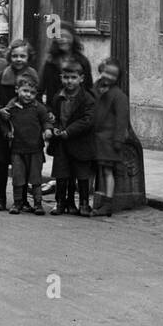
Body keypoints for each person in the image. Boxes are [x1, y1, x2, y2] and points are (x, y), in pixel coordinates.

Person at [39, 19, 94, 195]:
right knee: (61, 156)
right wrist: (46, 113)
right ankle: (63, 199)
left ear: (73, 39)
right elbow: (40, 89)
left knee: (77, 152)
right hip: (57, 111)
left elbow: (89, 88)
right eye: (59, 36)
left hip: (77, 112)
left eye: (66, 36)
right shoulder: (51, 62)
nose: (62, 39)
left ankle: (76, 196)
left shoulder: (81, 61)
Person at [0, 40, 38, 212]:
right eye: (15, 56)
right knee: (2, 163)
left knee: (22, 164)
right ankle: (1, 198)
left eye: (22, 56)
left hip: (25, 129)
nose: (18, 59)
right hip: (4, 126)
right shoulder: (2, 76)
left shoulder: (33, 76)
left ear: (28, 57)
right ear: (9, 57)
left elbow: (38, 99)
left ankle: (22, 200)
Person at [0, 76, 53, 215]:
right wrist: (7, 133)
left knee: (35, 178)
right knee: (18, 177)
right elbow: (3, 121)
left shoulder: (38, 107)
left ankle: (38, 204)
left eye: (32, 93)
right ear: (17, 90)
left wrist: (47, 129)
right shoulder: (11, 107)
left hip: (35, 149)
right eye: (25, 91)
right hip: (17, 149)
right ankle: (17, 203)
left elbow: (45, 120)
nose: (28, 95)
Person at [48, 60, 95, 215]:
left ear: (81, 78)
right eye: (66, 77)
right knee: (61, 174)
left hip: (80, 142)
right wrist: (54, 128)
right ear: (62, 78)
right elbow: (54, 116)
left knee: (82, 175)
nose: (69, 81)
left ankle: (83, 203)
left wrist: (70, 131)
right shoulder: (58, 97)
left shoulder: (87, 98)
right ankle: (60, 202)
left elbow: (88, 120)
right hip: (61, 142)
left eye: (73, 77)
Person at [91, 57, 129, 218]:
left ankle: (107, 204)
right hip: (94, 139)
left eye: (112, 75)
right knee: (93, 171)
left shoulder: (118, 96)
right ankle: (92, 200)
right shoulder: (94, 89)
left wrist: (118, 140)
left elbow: (122, 120)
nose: (108, 77)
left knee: (107, 171)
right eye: (106, 72)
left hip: (108, 140)